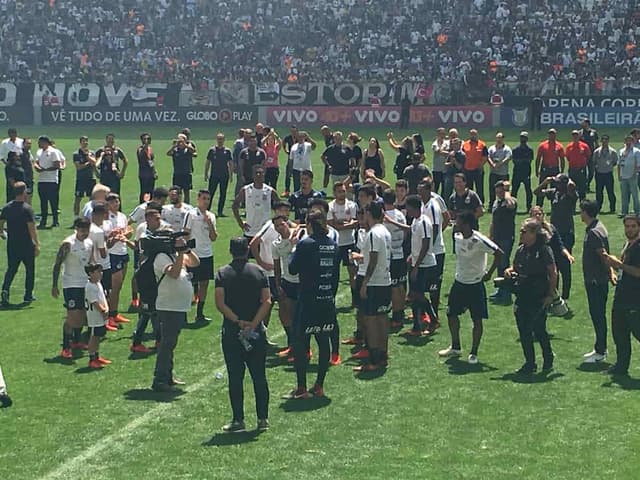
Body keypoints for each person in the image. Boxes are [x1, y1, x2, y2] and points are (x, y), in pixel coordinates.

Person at [215, 237, 271, 433]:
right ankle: (262, 419)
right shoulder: (259, 272)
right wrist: (253, 324)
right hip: (256, 332)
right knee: (259, 377)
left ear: (230, 251)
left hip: (232, 331)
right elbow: (267, 301)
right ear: (247, 250)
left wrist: (238, 321)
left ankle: (238, 420)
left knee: (235, 377)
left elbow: (220, 304)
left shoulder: (223, 273)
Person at [285, 210, 340, 399]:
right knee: (323, 340)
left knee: (300, 341)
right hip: (326, 300)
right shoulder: (333, 245)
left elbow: (292, 269)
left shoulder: (305, 244)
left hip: (307, 300)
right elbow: (335, 277)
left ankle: (301, 387)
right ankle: (319, 385)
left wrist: (293, 249)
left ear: (309, 224)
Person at [438, 211, 502, 364]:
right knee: (451, 314)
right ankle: (455, 346)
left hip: (475, 285)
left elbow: (499, 253)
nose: (455, 224)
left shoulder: (479, 240)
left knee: (477, 319)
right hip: (459, 282)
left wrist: (489, 273)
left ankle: (474, 352)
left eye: (458, 222)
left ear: (466, 225)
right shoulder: (457, 237)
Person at [505, 218, 557, 374]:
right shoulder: (521, 250)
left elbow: (553, 273)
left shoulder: (543, 250)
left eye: (524, 231)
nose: (521, 234)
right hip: (523, 294)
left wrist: (550, 295)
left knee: (538, 328)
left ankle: (548, 357)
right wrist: (509, 271)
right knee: (523, 330)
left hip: (538, 295)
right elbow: (515, 267)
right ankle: (530, 362)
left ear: (534, 234)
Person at [151, 229, 200, 392]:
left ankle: (168, 376)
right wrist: (180, 254)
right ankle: (159, 379)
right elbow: (173, 273)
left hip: (178, 306)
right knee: (167, 343)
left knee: (171, 343)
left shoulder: (175, 255)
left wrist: (186, 250)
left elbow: (195, 262)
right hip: (168, 306)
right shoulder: (161, 258)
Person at [352, 202, 392, 372]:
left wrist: (365, 283)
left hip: (375, 283)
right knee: (382, 318)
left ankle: (374, 359)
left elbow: (373, 259)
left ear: (369, 214)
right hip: (385, 281)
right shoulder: (385, 231)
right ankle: (383, 355)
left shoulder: (373, 234)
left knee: (371, 319)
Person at [602, 216, 640, 376]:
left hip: (635, 300)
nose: (629, 229)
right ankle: (621, 366)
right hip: (621, 297)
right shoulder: (628, 244)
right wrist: (614, 271)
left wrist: (618, 264)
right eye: (627, 226)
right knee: (620, 334)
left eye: (633, 226)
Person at [580, 199, 616, 364]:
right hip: (597, 278)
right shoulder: (597, 227)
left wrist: (609, 272)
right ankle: (599, 347)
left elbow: (603, 254)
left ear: (586, 212)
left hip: (595, 280)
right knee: (597, 314)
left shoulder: (594, 232)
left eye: (581, 211)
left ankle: (601, 351)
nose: (580, 214)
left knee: (597, 314)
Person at [52, 217, 93, 358]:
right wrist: (54, 285)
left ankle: (76, 341)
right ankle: (65, 347)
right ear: (76, 229)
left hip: (85, 283)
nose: (85, 233)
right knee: (72, 316)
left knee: (83, 313)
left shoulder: (89, 242)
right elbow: (57, 264)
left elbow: (90, 263)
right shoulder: (68, 244)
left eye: (87, 230)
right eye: (82, 230)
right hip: (71, 284)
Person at [404, 195, 439, 336]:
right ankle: (417, 327)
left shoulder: (424, 221)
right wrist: (412, 256)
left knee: (417, 294)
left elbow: (425, 244)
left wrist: (417, 265)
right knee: (414, 294)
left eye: (408, 207)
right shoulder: (415, 221)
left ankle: (433, 319)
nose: (406, 210)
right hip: (416, 262)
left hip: (425, 264)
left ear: (413, 207)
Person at [0, 182, 39, 307]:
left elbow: (1, 223)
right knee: (30, 269)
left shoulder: (7, 208)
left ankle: (5, 290)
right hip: (26, 244)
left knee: (11, 269)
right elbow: (31, 228)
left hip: (12, 244)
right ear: (24, 192)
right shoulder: (27, 209)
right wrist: (36, 244)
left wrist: (2, 232)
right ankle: (28, 295)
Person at [272, 215, 301, 360]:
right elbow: (276, 266)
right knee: (286, 314)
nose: (279, 228)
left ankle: (302, 348)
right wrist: (278, 285)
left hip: (301, 281)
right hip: (287, 281)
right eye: (276, 226)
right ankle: (292, 345)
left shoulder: (298, 235)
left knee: (298, 315)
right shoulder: (276, 244)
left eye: (281, 224)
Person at [327, 182, 359, 308]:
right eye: (339, 191)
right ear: (334, 193)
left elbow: (355, 222)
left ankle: (355, 299)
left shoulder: (352, 205)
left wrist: (340, 223)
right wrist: (346, 223)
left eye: (344, 191)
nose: (342, 193)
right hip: (336, 245)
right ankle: (331, 300)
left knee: (353, 272)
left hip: (350, 243)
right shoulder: (330, 206)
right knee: (334, 274)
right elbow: (331, 225)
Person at [232, 164, 279, 244]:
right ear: (253, 176)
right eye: (256, 173)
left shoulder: (270, 191)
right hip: (250, 230)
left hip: (265, 231)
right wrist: (240, 222)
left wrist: (274, 222)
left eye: (261, 173)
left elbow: (280, 207)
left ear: (264, 175)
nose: (258, 175)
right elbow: (235, 206)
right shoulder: (246, 190)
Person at [105, 193, 133, 329]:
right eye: (112, 202)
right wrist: (115, 237)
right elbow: (107, 241)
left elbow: (129, 230)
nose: (116, 204)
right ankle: (109, 315)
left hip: (123, 252)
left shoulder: (122, 216)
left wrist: (125, 235)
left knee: (119, 286)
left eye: (117, 201)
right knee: (113, 287)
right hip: (113, 255)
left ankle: (114, 313)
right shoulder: (106, 219)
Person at [489, 180, 517, 305]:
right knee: (499, 263)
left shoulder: (509, 201)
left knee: (504, 264)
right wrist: (491, 235)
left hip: (506, 237)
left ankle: (506, 294)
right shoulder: (497, 202)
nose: (499, 194)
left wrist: (506, 193)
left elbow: (511, 205)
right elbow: (493, 220)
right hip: (497, 237)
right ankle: (501, 289)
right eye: (497, 192)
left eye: (501, 191)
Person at [84, 263, 111, 369]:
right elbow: (95, 302)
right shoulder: (90, 286)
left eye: (101, 271)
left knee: (98, 336)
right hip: (95, 317)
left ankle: (97, 356)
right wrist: (103, 311)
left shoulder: (98, 283)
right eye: (98, 272)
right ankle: (92, 358)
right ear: (90, 273)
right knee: (94, 337)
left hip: (101, 316)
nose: (101, 273)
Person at [34, 135, 63, 229]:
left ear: (45, 142)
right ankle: (43, 221)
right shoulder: (39, 152)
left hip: (51, 181)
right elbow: (36, 162)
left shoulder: (53, 152)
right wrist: (37, 168)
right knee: (43, 202)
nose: (38, 144)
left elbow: (57, 165)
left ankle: (55, 221)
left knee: (53, 201)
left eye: (40, 142)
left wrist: (45, 170)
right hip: (42, 180)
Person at [204, 132, 232, 217]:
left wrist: (231, 174)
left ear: (224, 140)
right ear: (216, 139)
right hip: (214, 175)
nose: (220, 140)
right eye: (218, 139)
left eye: (221, 139)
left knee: (223, 193)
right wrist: (206, 173)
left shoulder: (227, 151)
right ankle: (207, 210)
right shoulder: (212, 150)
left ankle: (220, 211)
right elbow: (208, 162)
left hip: (224, 175)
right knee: (210, 193)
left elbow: (230, 163)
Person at [535, 129, 565, 208]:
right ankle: (539, 206)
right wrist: (536, 169)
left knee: (555, 188)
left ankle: (554, 205)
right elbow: (538, 158)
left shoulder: (559, 146)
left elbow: (562, 159)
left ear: (555, 135)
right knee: (542, 186)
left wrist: (561, 171)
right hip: (545, 168)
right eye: (550, 134)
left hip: (555, 169)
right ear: (548, 135)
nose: (552, 135)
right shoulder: (543, 145)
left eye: (553, 134)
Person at [462, 129, 489, 205]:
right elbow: (462, 155)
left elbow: (485, 156)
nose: (473, 136)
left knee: (479, 188)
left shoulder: (482, 144)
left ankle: (480, 204)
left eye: (474, 134)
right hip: (467, 170)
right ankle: (469, 204)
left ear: (477, 135)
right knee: (468, 188)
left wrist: (481, 165)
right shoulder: (465, 144)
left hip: (478, 170)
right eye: (472, 134)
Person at [592, 134, 618, 214]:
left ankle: (612, 208)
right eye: (603, 140)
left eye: (606, 140)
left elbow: (615, 162)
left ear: (608, 141)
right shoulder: (597, 151)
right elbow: (594, 161)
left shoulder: (613, 151)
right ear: (601, 141)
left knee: (610, 191)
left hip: (608, 174)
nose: (604, 142)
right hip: (599, 174)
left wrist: (608, 167)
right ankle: (598, 207)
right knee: (599, 192)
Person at [72, 136, 97, 219]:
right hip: (81, 179)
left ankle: (90, 217)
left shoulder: (91, 152)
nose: (85, 143)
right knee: (78, 198)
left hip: (91, 178)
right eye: (83, 141)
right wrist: (88, 163)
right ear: (80, 142)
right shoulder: (76, 154)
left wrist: (87, 157)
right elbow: (78, 167)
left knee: (91, 199)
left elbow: (94, 162)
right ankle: (76, 218)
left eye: (86, 141)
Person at [167, 135, 195, 204]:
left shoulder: (187, 149)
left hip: (186, 173)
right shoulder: (175, 150)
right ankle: (176, 206)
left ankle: (187, 207)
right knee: (176, 192)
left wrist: (185, 145)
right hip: (177, 174)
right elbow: (168, 153)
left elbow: (193, 151)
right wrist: (174, 146)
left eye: (182, 141)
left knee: (186, 192)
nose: (180, 143)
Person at [511, 131, 534, 213]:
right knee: (514, 191)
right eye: (521, 137)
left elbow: (529, 161)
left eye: (524, 137)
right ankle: (513, 207)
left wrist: (521, 161)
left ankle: (529, 207)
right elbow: (515, 161)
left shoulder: (530, 150)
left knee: (528, 191)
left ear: (527, 139)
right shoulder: (515, 149)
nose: (523, 139)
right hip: (517, 173)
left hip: (526, 173)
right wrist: (523, 160)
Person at [565, 130, 591, 201]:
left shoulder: (584, 146)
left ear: (579, 136)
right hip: (572, 169)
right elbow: (567, 157)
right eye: (573, 135)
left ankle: (583, 205)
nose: (575, 137)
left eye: (576, 135)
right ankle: (571, 205)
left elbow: (588, 156)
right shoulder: (569, 146)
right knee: (571, 188)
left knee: (582, 189)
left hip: (581, 170)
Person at [487, 132, 512, 207]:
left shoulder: (507, 149)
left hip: (503, 174)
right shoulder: (491, 148)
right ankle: (491, 204)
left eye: (500, 138)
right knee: (492, 189)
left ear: (503, 139)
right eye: (497, 138)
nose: (499, 139)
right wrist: (492, 165)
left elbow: (508, 158)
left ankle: (504, 204)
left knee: (504, 189)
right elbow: (488, 157)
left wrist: (499, 164)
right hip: (493, 173)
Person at [618, 135, 640, 217]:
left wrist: (634, 174)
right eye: (627, 140)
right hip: (623, 176)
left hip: (632, 176)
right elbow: (619, 164)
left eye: (630, 140)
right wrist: (619, 175)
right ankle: (624, 211)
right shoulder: (621, 151)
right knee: (624, 195)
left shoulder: (636, 151)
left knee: (634, 194)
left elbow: (638, 164)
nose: (628, 142)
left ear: (633, 141)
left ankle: (637, 211)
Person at [136, 133, 157, 204]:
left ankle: (150, 204)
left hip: (151, 174)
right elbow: (141, 156)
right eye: (144, 139)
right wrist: (145, 148)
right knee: (144, 191)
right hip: (144, 174)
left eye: (148, 139)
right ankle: (143, 204)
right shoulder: (140, 149)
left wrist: (154, 171)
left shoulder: (150, 149)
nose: (146, 140)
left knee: (151, 191)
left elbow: (151, 161)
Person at [579, 119, 599, 192]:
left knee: (591, 172)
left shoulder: (593, 132)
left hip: (592, 155)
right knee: (583, 172)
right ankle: (584, 186)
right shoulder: (580, 133)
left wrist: (597, 152)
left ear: (587, 124)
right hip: (583, 156)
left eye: (583, 123)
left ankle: (587, 184)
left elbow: (596, 143)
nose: (582, 124)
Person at [281, 125, 298, 196]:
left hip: (299, 158)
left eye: (294, 131)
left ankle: (296, 191)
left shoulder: (299, 137)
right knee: (288, 174)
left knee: (297, 174)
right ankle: (287, 191)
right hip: (290, 158)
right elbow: (283, 142)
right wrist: (285, 150)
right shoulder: (288, 137)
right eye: (292, 131)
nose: (293, 133)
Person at [431, 128, 449, 195]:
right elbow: (438, 151)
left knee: (444, 188)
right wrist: (444, 151)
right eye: (441, 134)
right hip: (436, 169)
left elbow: (448, 152)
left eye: (443, 133)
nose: (443, 135)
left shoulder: (447, 142)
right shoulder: (435, 144)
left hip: (445, 169)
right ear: (438, 134)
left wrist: (443, 151)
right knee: (436, 187)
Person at [20, 138, 34, 204]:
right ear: (23, 144)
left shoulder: (29, 153)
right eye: (27, 143)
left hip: (30, 179)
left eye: (30, 143)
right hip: (24, 179)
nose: (29, 145)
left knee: (29, 196)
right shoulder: (21, 154)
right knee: (23, 196)